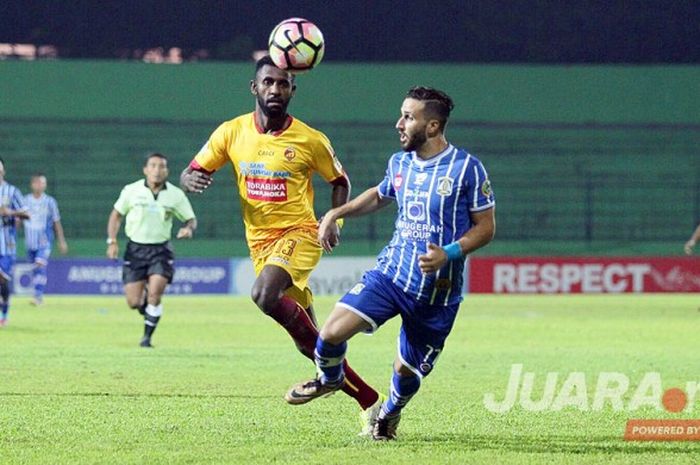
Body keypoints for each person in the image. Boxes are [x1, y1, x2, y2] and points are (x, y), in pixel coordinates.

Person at [180, 55, 382, 433]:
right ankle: (369, 401)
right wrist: (189, 180)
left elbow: (339, 180)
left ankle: (334, 378)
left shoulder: (309, 139)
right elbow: (193, 170)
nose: (275, 89)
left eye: (283, 84)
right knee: (314, 346)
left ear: (293, 89)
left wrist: (332, 218)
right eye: (268, 82)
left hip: (300, 234)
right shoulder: (232, 132)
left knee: (263, 295)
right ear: (254, 88)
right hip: (260, 244)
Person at [285, 86, 496, 440]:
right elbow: (380, 195)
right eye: (401, 114)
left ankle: (389, 414)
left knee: (407, 374)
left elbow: (486, 228)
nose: (399, 123)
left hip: (435, 295)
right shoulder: (399, 163)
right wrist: (336, 213)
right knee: (331, 333)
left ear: (432, 126)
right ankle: (331, 379)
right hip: (391, 275)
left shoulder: (466, 169)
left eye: (408, 117)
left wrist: (449, 253)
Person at [107, 153, 197, 348]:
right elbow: (116, 215)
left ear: (167, 171)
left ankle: (146, 338)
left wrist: (188, 229)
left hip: (160, 251)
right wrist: (112, 241)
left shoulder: (175, 195)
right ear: (145, 170)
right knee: (133, 302)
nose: (157, 170)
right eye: (153, 166)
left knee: (155, 295)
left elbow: (190, 219)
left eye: (161, 166)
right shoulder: (131, 191)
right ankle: (146, 303)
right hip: (135, 250)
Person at [23, 173, 69, 306]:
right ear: (32, 184)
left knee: (40, 264)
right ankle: (38, 295)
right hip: (30, 242)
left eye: (43, 183)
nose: (41, 185)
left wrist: (61, 241)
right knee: (35, 269)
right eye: (38, 182)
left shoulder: (50, 202)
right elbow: (19, 220)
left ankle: (38, 296)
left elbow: (56, 222)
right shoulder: (25, 200)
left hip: (44, 241)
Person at [0, 158, 30, 327]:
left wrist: (9, 212)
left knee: (2, 280)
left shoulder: (12, 192)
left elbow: (27, 214)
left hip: (6, 245)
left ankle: (4, 313)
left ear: (3, 171)